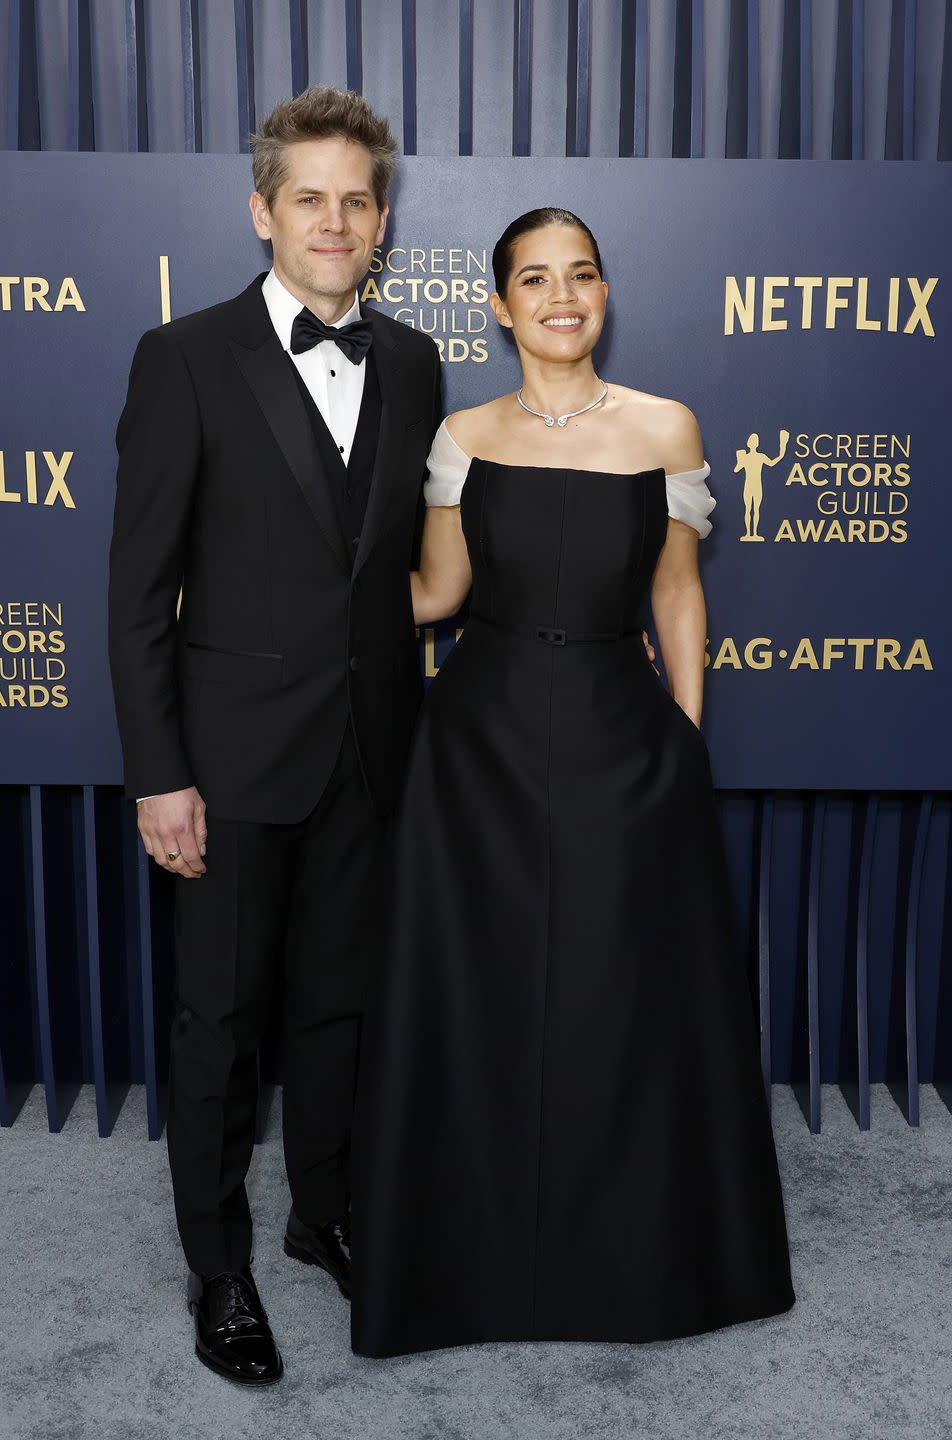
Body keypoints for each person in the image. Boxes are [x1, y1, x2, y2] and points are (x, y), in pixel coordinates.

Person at [351, 208, 795, 1357]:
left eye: (582, 275)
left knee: (617, 1005)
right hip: (477, 754)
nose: (562, 295)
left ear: (604, 294)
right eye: (534, 279)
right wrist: (288, 592)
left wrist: (684, 741)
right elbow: (437, 594)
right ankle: (471, 1264)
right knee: (480, 1004)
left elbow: (679, 595)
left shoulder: (666, 429)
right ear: (498, 306)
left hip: (621, 744)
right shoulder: (462, 434)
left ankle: (630, 1263)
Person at [108, 86, 440, 1385]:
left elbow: (400, 568)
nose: (336, 220)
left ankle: (322, 1216)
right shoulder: (182, 358)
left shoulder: (413, 361)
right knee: (218, 1024)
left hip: (371, 751)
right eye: (310, 196)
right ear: (263, 213)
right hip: (228, 767)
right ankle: (220, 1269)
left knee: (341, 1014)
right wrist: (160, 777)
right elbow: (137, 593)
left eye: (358, 199)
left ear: (382, 221)